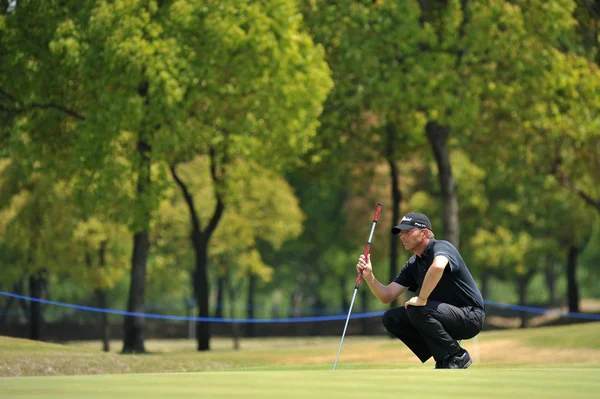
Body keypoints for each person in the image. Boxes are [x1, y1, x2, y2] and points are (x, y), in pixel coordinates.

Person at [356, 211, 485, 369]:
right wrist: (370, 277)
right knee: (391, 318)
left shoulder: (442, 246)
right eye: (401, 233)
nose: (403, 236)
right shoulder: (413, 264)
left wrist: (421, 298)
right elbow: (387, 295)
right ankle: (444, 358)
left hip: (470, 316)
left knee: (417, 309)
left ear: (424, 233)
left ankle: (457, 355)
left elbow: (437, 266)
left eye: (408, 232)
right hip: (440, 317)